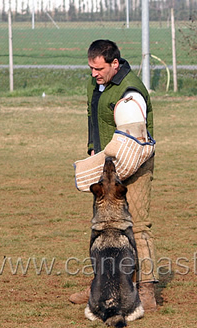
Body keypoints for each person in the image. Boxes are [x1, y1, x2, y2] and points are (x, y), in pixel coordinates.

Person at [69, 39, 158, 311]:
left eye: (99, 68)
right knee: (103, 226)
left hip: (135, 162)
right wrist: (93, 151)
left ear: (114, 64)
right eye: (91, 68)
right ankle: (102, 284)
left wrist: (118, 164)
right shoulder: (95, 85)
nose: (94, 73)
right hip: (107, 164)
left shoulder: (132, 91)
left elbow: (135, 138)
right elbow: (91, 115)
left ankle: (146, 290)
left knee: (138, 226)